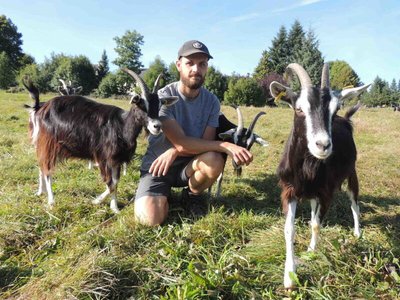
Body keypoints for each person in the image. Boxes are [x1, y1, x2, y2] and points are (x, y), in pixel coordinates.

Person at [134, 40, 253, 226]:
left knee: (213, 159)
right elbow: (181, 142)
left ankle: (192, 195)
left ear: (207, 68)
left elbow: (205, 144)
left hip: (189, 166)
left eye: (202, 64)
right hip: (158, 166)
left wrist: (174, 151)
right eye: (190, 63)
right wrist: (227, 145)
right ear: (178, 65)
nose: (196, 69)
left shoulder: (211, 101)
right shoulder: (162, 98)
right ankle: (158, 194)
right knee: (149, 220)